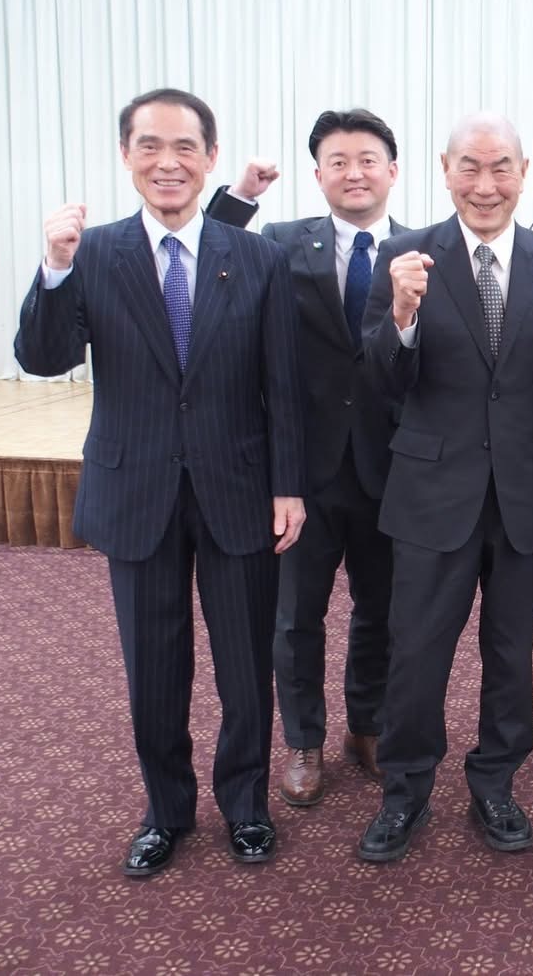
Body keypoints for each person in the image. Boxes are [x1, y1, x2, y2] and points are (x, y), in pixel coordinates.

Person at [14, 87, 305, 877]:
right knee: (154, 666)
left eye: (184, 147)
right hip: (136, 488)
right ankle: (166, 811)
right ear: (126, 155)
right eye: (149, 145)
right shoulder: (93, 253)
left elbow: (282, 383)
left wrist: (289, 484)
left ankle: (246, 806)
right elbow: (43, 357)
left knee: (245, 664)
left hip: (238, 487)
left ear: (211, 158)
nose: (167, 162)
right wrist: (54, 267)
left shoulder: (256, 257)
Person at [354, 112, 533, 861]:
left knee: (510, 653)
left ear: (524, 173)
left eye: (500, 168)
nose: (485, 185)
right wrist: (401, 314)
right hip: (432, 491)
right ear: (444, 169)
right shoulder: (405, 256)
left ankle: (496, 783)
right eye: (470, 167)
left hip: (528, 493)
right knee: (417, 652)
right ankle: (405, 791)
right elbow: (379, 380)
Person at [209, 109, 405, 806]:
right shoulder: (283, 241)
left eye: (367, 159)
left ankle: (368, 726)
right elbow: (212, 254)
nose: (354, 173)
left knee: (381, 610)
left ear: (393, 170)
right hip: (301, 470)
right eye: (338, 161)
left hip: (391, 468)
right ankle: (304, 740)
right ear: (318, 174)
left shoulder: (420, 248)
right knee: (296, 616)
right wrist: (242, 195)